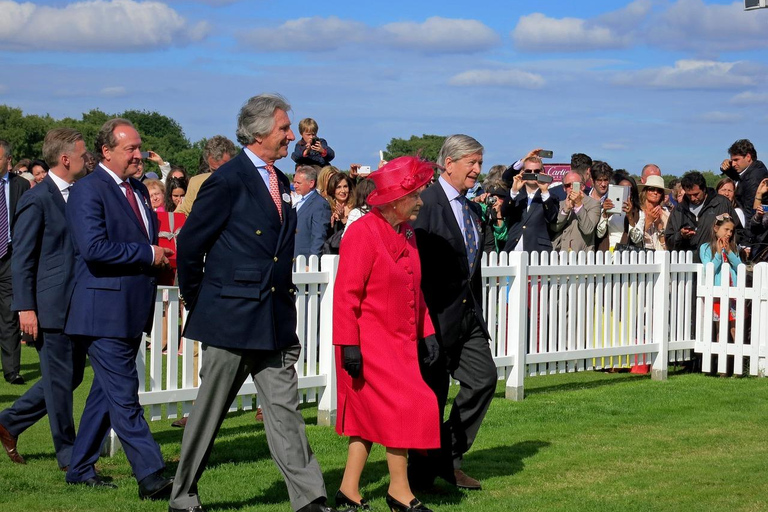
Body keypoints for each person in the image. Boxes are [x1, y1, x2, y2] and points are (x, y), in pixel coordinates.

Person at [170, 94, 336, 512]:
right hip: (230, 317)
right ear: (260, 131)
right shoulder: (226, 180)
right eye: (284, 128)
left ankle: (309, 497)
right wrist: (198, 298)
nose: (290, 136)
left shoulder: (281, 181)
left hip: (275, 317)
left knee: (285, 413)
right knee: (209, 413)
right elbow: (190, 244)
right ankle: (183, 494)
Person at [64, 118, 174, 498]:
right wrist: (148, 253)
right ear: (106, 152)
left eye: (139, 147)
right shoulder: (87, 191)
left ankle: (79, 467)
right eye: (130, 148)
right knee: (125, 393)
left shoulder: (140, 191)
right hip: (101, 311)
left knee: (107, 393)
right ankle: (151, 474)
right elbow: (93, 249)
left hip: (131, 308)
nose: (138, 154)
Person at [333, 156, 439, 512]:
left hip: (400, 342)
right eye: (416, 195)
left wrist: (427, 333)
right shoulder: (362, 232)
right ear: (395, 199)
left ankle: (348, 491)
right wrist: (349, 345)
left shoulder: (406, 232)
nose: (421, 202)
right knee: (405, 407)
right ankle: (400, 491)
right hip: (368, 342)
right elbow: (346, 294)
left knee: (368, 418)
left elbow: (416, 286)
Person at [411, 134, 497, 491]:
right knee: (431, 396)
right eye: (471, 163)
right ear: (449, 164)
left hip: (467, 316)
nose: (477, 170)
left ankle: (447, 456)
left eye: (479, 163)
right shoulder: (425, 203)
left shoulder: (471, 207)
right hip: (433, 318)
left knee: (484, 379)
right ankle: (420, 475)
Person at [0, 128, 87, 469]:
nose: (86, 159)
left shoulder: (78, 194)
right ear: (65, 159)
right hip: (48, 307)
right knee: (61, 383)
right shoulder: (37, 199)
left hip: (75, 304)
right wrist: (25, 308)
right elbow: (21, 258)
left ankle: (10, 421)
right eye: (82, 154)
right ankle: (69, 454)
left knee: (69, 377)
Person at [0, 139, 30, 385]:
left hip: (11, 256)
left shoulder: (21, 186)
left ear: (8, 160)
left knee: (9, 315)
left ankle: (12, 370)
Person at [664, 171, 740, 260]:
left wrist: (725, 241)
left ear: (704, 189)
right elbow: (669, 241)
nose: (692, 198)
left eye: (696, 194)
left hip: (716, 262)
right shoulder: (678, 210)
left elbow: (738, 231)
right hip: (687, 265)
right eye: (689, 195)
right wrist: (681, 235)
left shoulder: (722, 203)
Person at [502, 155, 559, 253]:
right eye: (528, 171)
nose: (532, 174)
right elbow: (504, 212)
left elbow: (552, 218)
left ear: (542, 172)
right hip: (513, 248)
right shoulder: (515, 194)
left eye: (536, 171)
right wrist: (514, 191)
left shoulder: (550, 196)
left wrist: (544, 191)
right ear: (522, 172)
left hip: (538, 251)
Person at [700, 214, 742, 341]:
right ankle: (720, 358)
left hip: (733, 292)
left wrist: (729, 252)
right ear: (716, 228)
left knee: (735, 328)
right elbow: (709, 269)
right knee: (720, 328)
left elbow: (740, 267)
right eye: (726, 229)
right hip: (718, 294)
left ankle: (737, 358)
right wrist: (718, 253)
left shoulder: (733, 248)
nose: (729, 233)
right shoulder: (706, 248)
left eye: (731, 231)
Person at [175, 135, 238, 216]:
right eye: (214, 170)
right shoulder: (196, 183)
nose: (218, 175)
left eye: (223, 170)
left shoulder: (245, 184)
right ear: (208, 163)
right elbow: (183, 214)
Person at [720, 139, 768, 226]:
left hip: (756, 233)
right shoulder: (753, 169)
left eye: (736, 160)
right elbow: (740, 178)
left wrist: (747, 238)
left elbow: (750, 212)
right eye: (732, 160)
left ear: (748, 157)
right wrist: (726, 168)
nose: (733, 164)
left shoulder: (754, 179)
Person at [551, 170, 601, 252]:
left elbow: (587, 230)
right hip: (558, 255)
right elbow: (555, 228)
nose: (571, 187)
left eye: (575, 185)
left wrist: (579, 205)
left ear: (583, 187)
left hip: (581, 256)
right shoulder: (560, 204)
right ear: (564, 188)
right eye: (567, 185)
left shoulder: (593, 204)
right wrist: (565, 210)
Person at [596, 171, 642, 252]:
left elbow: (636, 239)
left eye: (628, 189)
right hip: (606, 253)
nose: (624, 192)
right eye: (621, 188)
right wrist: (605, 214)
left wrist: (630, 216)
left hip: (625, 256)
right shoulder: (607, 208)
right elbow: (599, 234)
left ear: (633, 192)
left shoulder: (639, 213)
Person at [293, 165, 331, 259]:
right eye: (294, 182)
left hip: (305, 259)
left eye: (298, 183)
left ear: (311, 183)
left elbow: (319, 236)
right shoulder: (299, 200)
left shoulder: (320, 204)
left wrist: (311, 261)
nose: (295, 186)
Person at [323, 172, 355, 255]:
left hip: (350, 251)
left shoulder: (355, 207)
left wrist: (343, 218)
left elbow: (354, 233)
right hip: (331, 253)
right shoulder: (327, 207)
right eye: (339, 187)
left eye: (345, 186)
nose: (343, 191)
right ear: (333, 190)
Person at [637, 175, 671, 250]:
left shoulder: (667, 215)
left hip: (660, 256)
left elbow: (667, 246)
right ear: (645, 191)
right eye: (652, 189)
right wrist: (649, 221)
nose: (655, 192)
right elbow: (634, 239)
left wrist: (659, 227)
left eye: (659, 191)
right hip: (640, 256)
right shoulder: (637, 212)